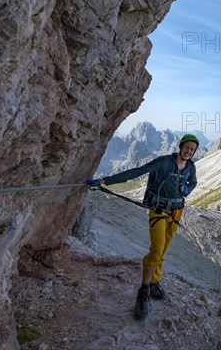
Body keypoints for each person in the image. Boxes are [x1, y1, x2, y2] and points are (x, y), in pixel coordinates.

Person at [85, 134, 199, 320]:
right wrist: (105, 181)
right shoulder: (163, 162)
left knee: (162, 250)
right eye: (187, 147)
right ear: (180, 146)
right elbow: (136, 172)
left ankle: (154, 282)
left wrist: (188, 189)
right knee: (156, 250)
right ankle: (143, 291)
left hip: (176, 213)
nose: (189, 151)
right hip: (159, 211)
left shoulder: (190, 167)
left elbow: (192, 182)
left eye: (192, 149)